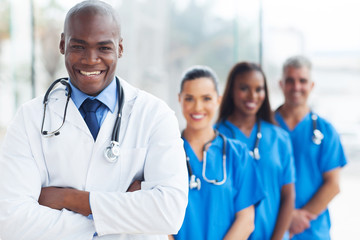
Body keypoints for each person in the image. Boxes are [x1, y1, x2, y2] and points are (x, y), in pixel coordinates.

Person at [0, 1, 188, 239]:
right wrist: (121, 221)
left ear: (120, 48)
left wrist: (69, 199)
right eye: (78, 46)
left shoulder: (155, 115)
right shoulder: (30, 118)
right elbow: (11, 221)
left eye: (104, 48)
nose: (90, 60)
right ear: (62, 45)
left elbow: (169, 214)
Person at [172, 66, 264, 240]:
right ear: (179, 99)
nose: (198, 107)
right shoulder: (166, 153)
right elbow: (158, 218)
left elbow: (246, 220)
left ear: (218, 100)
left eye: (206, 98)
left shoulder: (237, 154)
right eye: (189, 98)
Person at [215, 62, 296, 240]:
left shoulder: (280, 138)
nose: (253, 95)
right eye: (244, 88)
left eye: (259, 89)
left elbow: (288, 195)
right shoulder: (215, 137)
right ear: (231, 91)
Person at [275, 56, 347, 239]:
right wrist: (284, 218)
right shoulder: (266, 127)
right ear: (281, 84)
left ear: (312, 85)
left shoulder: (325, 131)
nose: (296, 87)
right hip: (271, 227)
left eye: (302, 81)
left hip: (312, 231)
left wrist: (297, 218)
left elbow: (333, 184)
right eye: (290, 80)